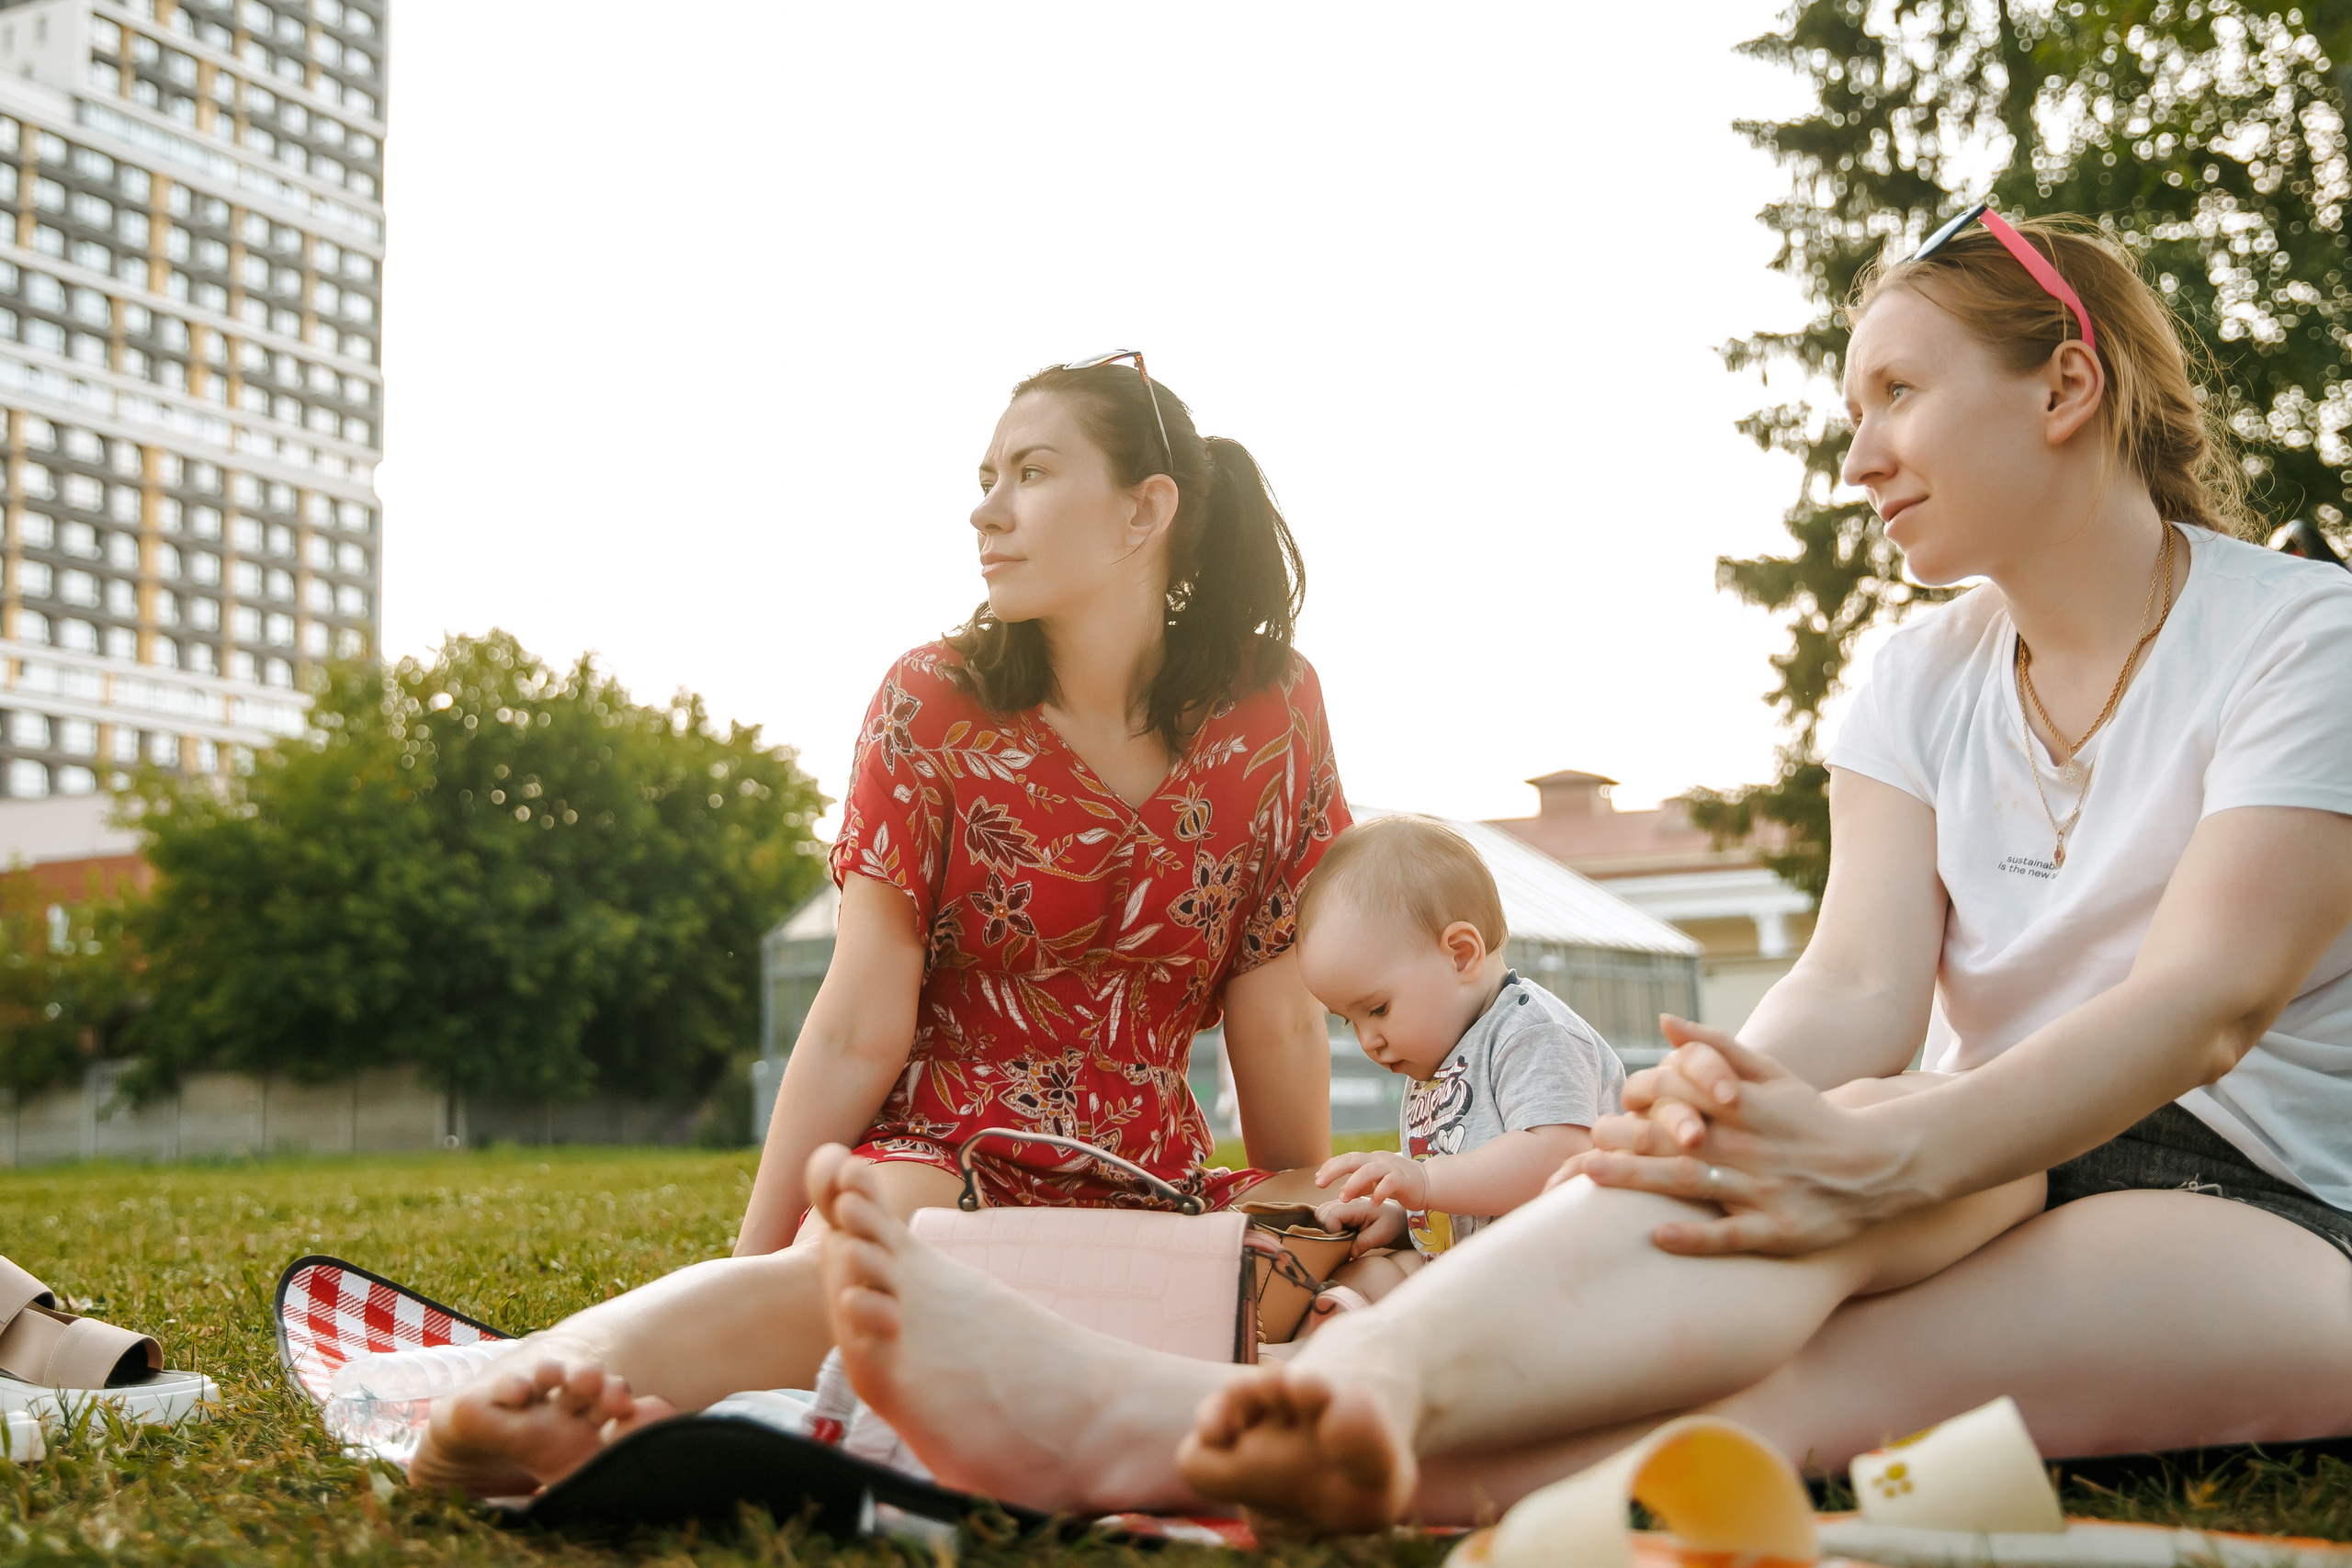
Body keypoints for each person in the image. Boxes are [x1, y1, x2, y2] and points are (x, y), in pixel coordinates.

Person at [801, 212, 2352, 1530]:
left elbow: (2206, 1004)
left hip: (2270, 1205)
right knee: (1781, 1138)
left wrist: (1883, 1154)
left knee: (1806, 1384)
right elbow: (1860, 986)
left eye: (1898, 392)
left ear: (2066, 383)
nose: (1860, 452)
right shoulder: (1917, 678)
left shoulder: (2303, 640)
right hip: (1988, 1140)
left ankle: (1156, 1430)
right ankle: (1314, 1404)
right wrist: (1715, 1108)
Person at [402, 355, 1351, 1499]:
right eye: (986, 478)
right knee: (862, 1263)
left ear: (1145, 510)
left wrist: (1305, 1207)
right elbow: (858, 1022)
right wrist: (753, 1256)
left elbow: (1277, 1009)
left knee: (1375, 1253)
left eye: (1030, 473)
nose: (985, 511)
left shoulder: (1275, 709)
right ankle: (517, 1395)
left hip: (1154, 1180)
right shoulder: (929, 701)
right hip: (945, 1160)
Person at [1292, 816, 1624, 1317]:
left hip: (1566, 1280)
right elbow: (1464, 1185)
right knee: (1365, 1273)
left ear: (1461, 955)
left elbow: (1556, 1158)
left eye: (1377, 1009)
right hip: (1478, 1273)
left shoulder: (1534, 1034)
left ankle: (1372, 1337)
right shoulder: (1441, 1057)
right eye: (1348, 1021)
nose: (1368, 1041)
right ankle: (1351, 1332)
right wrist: (1402, 1212)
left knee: (1391, 1297)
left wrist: (1424, 1181)